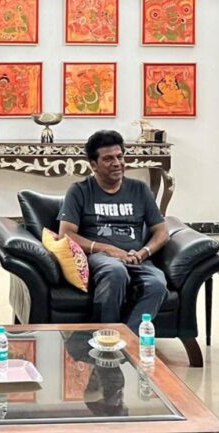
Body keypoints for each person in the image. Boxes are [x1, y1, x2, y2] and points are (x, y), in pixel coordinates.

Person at [58, 130, 169, 332]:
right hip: (101, 258)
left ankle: (126, 339)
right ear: (93, 165)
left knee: (157, 284)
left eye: (120, 156)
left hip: (136, 257)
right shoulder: (79, 191)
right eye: (108, 159)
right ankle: (104, 335)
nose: (117, 163)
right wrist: (107, 249)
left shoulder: (140, 189)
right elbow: (66, 234)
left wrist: (144, 253)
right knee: (115, 271)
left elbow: (162, 231)